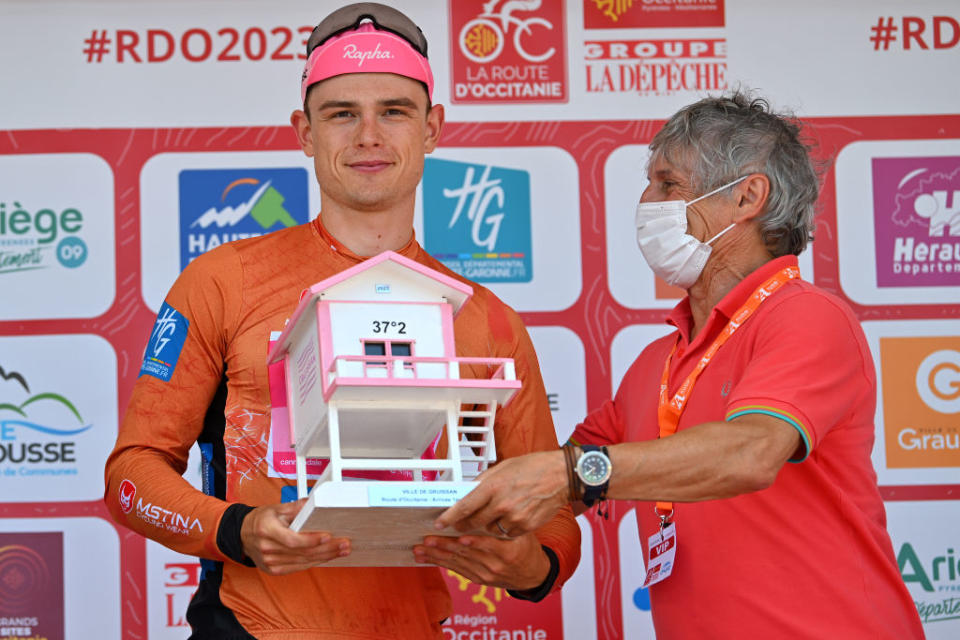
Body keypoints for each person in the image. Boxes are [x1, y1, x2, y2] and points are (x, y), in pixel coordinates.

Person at [103, 4, 579, 638]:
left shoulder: (491, 320)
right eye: (341, 113)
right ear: (304, 132)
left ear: (433, 129)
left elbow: (554, 523)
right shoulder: (220, 281)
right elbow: (132, 475)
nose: (368, 136)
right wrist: (237, 530)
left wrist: (526, 566)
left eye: (394, 111)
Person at [437, 91, 926, 638]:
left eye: (668, 185)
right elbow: (560, 475)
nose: (646, 202)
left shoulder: (806, 316)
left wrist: (570, 473)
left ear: (747, 197)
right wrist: (416, 494)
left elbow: (750, 452)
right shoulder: (656, 362)